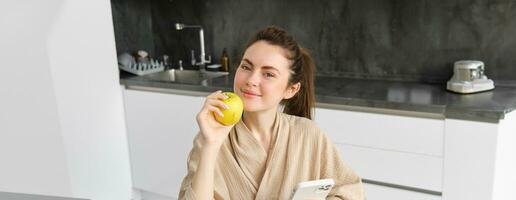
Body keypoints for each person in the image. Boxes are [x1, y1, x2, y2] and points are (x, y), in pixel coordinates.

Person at [179, 26, 365, 200]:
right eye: (246, 67)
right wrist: (211, 145)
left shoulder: (309, 134)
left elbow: (350, 191)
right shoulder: (209, 138)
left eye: (268, 74)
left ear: (290, 90)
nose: (251, 80)